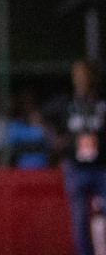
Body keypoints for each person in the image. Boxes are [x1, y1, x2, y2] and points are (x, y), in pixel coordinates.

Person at [51, 60, 106, 255]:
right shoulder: (67, 102)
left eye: (84, 74)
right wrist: (59, 142)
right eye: (77, 75)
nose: (80, 79)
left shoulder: (101, 101)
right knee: (79, 219)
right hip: (76, 167)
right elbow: (50, 124)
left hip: (102, 166)